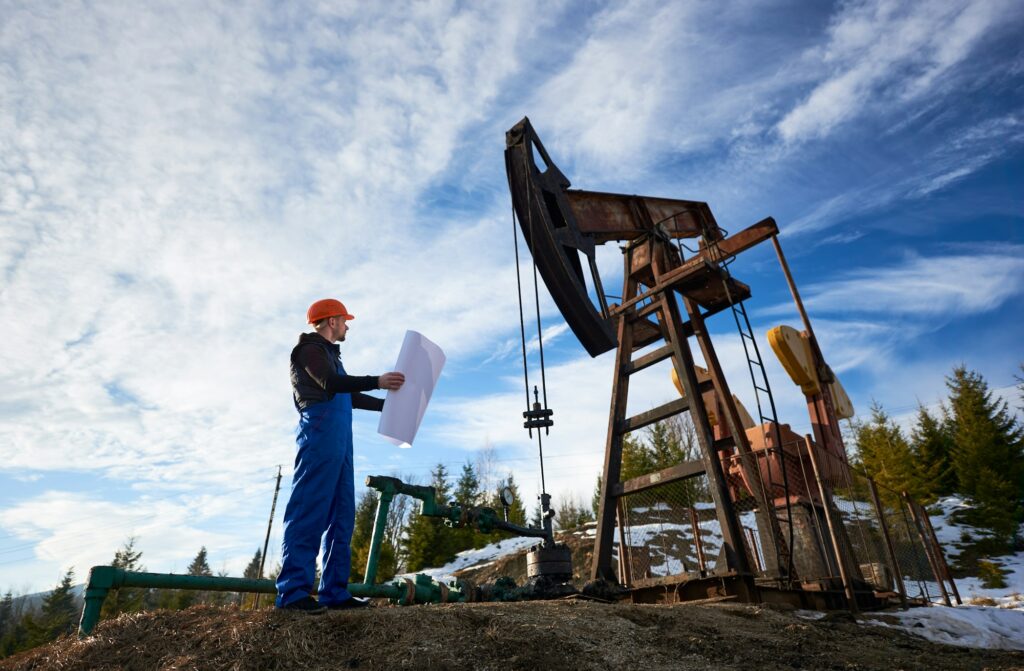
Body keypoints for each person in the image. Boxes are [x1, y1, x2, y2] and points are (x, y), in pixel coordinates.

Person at [275, 298, 405, 612]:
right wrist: (377, 381)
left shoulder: (331, 355)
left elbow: (348, 394)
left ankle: (334, 591)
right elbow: (330, 384)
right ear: (332, 321)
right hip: (319, 433)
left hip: (340, 439)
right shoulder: (309, 350)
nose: (347, 326)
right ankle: (292, 593)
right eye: (345, 321)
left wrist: (389, 406)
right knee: (310, 508)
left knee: (342, 513)